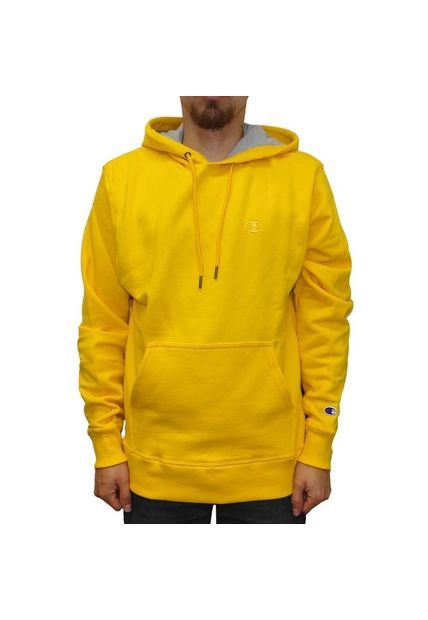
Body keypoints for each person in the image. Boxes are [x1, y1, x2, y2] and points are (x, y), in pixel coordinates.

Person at [77, 96, 354, 524]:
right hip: (153, 461)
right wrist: (106, 443)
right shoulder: (122, 179)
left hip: (274, 463)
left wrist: (319, 445)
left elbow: (326, 321)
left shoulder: (302, 178)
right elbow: (103, 322)